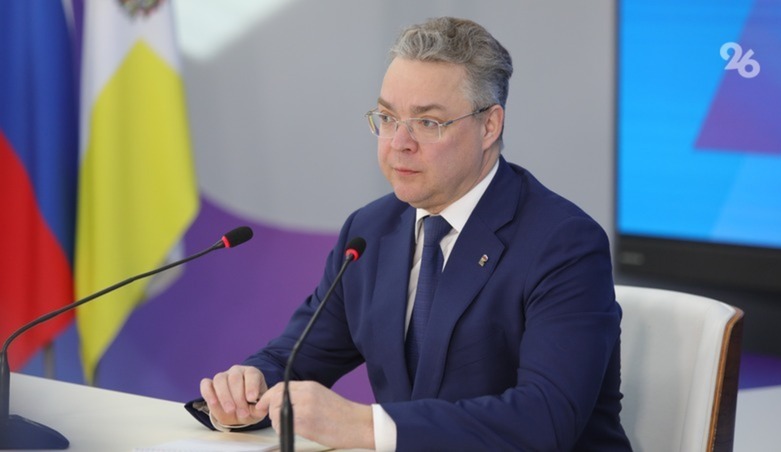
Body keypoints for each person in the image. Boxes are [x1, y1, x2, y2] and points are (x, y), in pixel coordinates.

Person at [186, 17, 632, 451]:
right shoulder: (369, 232)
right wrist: (247, 389)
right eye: (387, 117)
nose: (399, 142)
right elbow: (292, 359)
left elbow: (545, 419)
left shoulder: (563, 244)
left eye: (427, 122)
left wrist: (366, 426)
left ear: (489, 126)